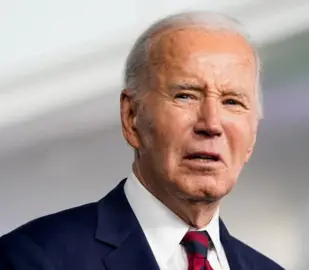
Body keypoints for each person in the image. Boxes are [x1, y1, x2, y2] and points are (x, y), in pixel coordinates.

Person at [0, 11, 284, 270]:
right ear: (131, 116)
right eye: (185, 95)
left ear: (252, 137)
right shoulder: (34, 258)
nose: (211, 124)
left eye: (232, 101)